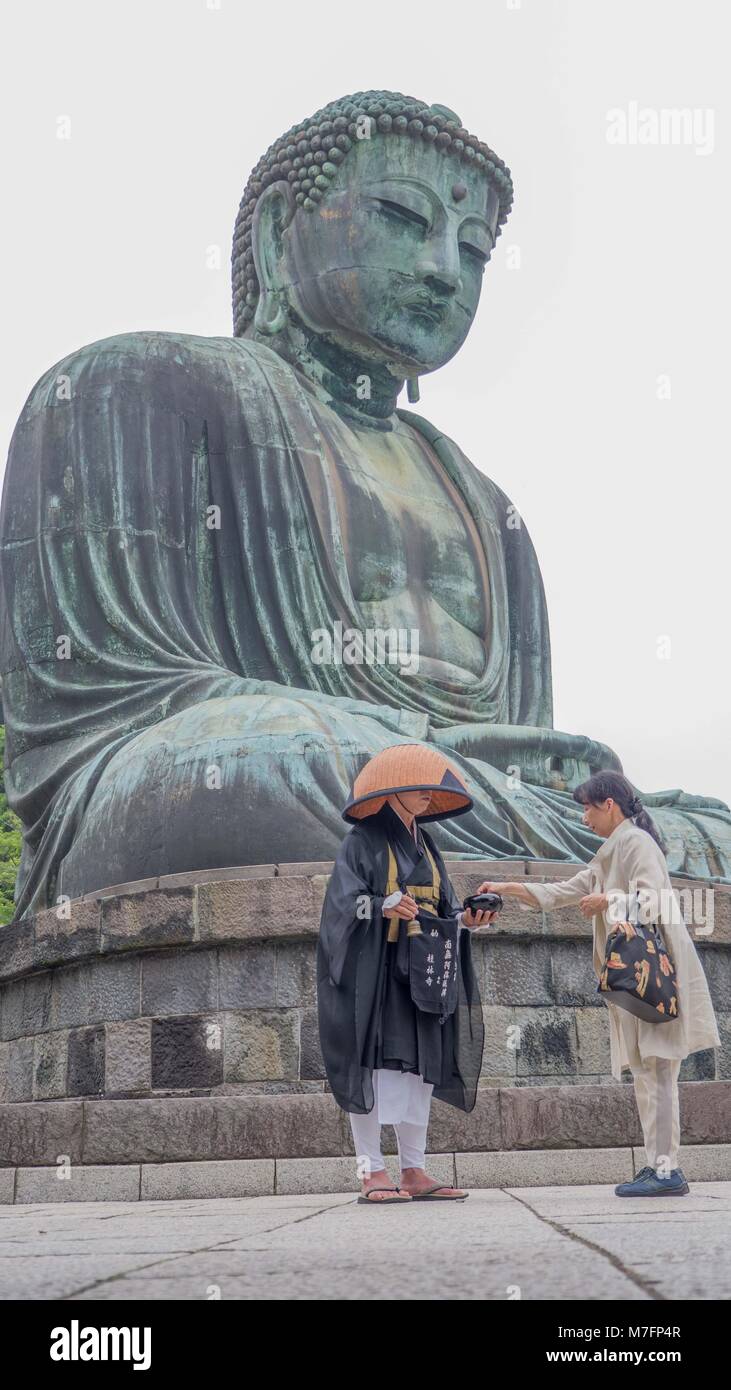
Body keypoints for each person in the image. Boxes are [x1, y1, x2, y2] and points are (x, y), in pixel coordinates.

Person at [478, 770, 721, 1197]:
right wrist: (506, 886)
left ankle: (666, 1172)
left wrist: (608, 900)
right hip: (639, 979)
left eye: (588, 808)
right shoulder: (610, 852)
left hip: (655, 975)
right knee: (649, 1073)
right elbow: (560, 893)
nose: (584, 817)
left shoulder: (637, 844)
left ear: (609, 804)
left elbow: (656, 899)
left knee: (659, 1072)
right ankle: (658, 1165)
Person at [317, 742, 497, 1204]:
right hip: (377, 975)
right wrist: (382, 905)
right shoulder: (362, 840)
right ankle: (371, 1171)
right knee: (373, 1070)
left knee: (420, 1072)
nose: (427, 794)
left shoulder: (427, 843)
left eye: (429, 788)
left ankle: (413, 1169)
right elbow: (342, 905)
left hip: (420, 975)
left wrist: (464, 920)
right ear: (393, 790)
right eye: (418, 787)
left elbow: (443, 907)